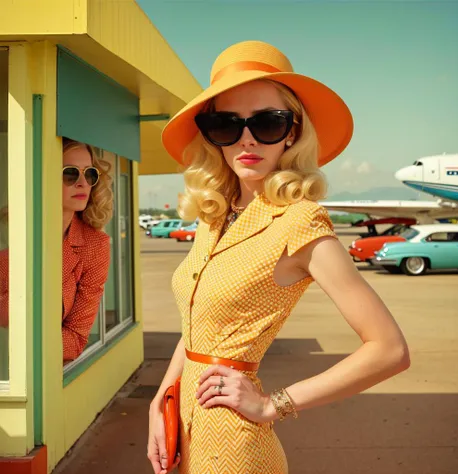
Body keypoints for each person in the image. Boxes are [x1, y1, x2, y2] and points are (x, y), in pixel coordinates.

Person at [147, 40, 410, 474]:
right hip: (184, 429)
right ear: (210, 135)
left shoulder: (299, 221)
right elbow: (200, 325)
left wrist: (275, 404)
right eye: (226, 124)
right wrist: (162, 398)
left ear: (292, 131)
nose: (246, 139)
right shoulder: (214, 216)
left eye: (267, 122)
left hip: (234, 446)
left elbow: (389, 350)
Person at [0, 138, 113, 363]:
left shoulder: (94, 245)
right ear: (43, 177)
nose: (82, 183)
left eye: (89, 174)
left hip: (32, 370)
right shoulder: (9, 231)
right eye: (70, 173)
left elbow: (75, 341)